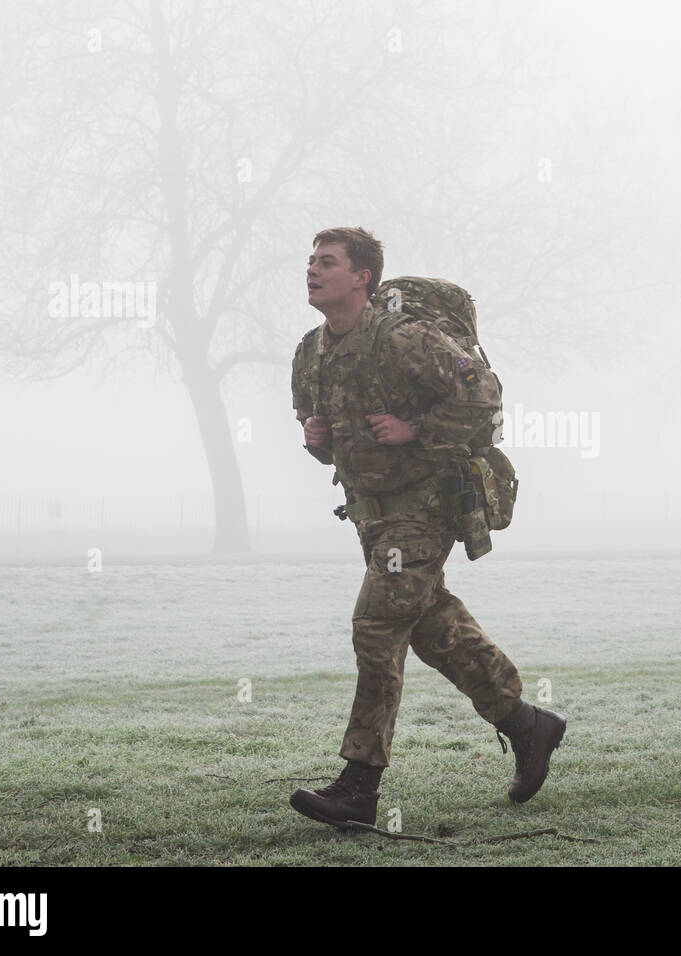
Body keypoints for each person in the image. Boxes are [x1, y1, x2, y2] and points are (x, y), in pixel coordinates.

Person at [288, 226, 566, 829]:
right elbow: (328, 440)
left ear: (362, 277)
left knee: (376, 628)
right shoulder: (312, 352)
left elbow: (482, 397)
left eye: (327, 262)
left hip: (425, 507)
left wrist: (414, 430)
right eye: (310, 260)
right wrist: (317, 442)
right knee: (434, 630)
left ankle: (358, 787)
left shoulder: (404, 341)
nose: (312, 270)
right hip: (373, 515)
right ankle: (528, 725)